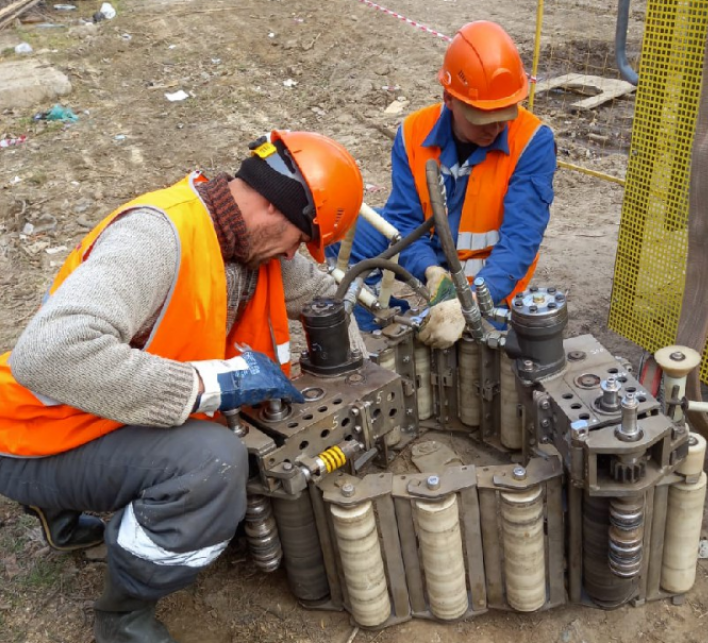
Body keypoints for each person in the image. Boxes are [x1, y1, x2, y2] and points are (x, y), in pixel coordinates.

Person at [0, 129, 366, 643]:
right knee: (209, 463)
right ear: (273, 208)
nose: (295, 255)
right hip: (30, 433)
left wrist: (358, 365)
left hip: (95, 417)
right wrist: (205, 384)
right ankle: (123, 615)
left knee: (205, 455)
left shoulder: (255, 245)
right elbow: (49, 353)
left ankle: (64, 506)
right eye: (298, 240)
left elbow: (327, 299)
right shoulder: (157, 238)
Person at [333, 20, 557, 348]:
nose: (495, 128)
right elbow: (404, 222)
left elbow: (520, 242)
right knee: (342, 232)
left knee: (476, 352)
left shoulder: (533, 141)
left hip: (490, 275)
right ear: (449, 99)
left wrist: (470, 305)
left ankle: (464, 320)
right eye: (482, 116)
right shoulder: (413, 133)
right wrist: (428, 270)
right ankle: (389, 330)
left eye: (504, 115)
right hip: (435, 256)